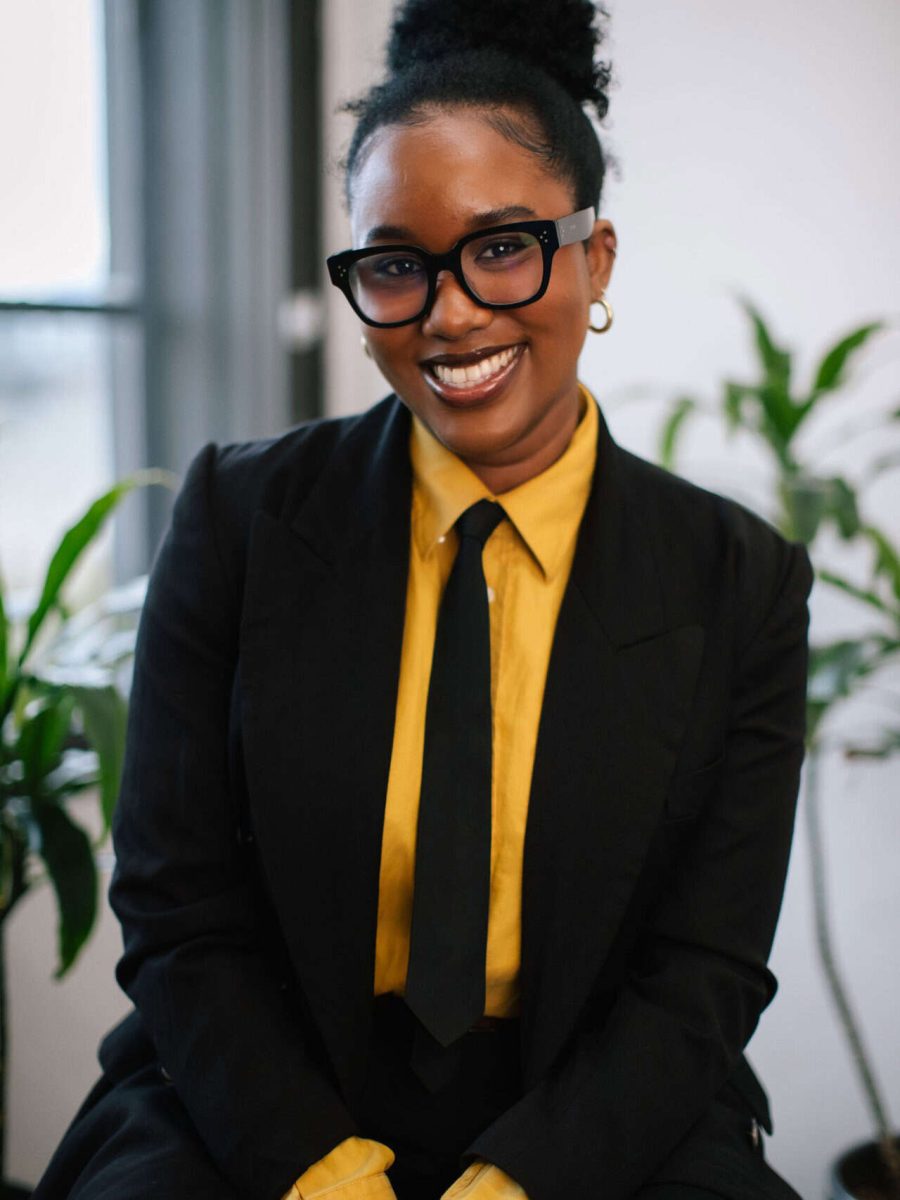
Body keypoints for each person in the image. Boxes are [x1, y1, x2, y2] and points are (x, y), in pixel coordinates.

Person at [35, 1, 813, 1198]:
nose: (449, 313)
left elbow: (705, 969)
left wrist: (524, 1183)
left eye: (503, 246)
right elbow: (177, 906)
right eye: (396, 264)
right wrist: (316, 1165)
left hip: (590, 1106)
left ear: (593, 258)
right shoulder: (237, 520)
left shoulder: (737, 579)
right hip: (263, 1085)